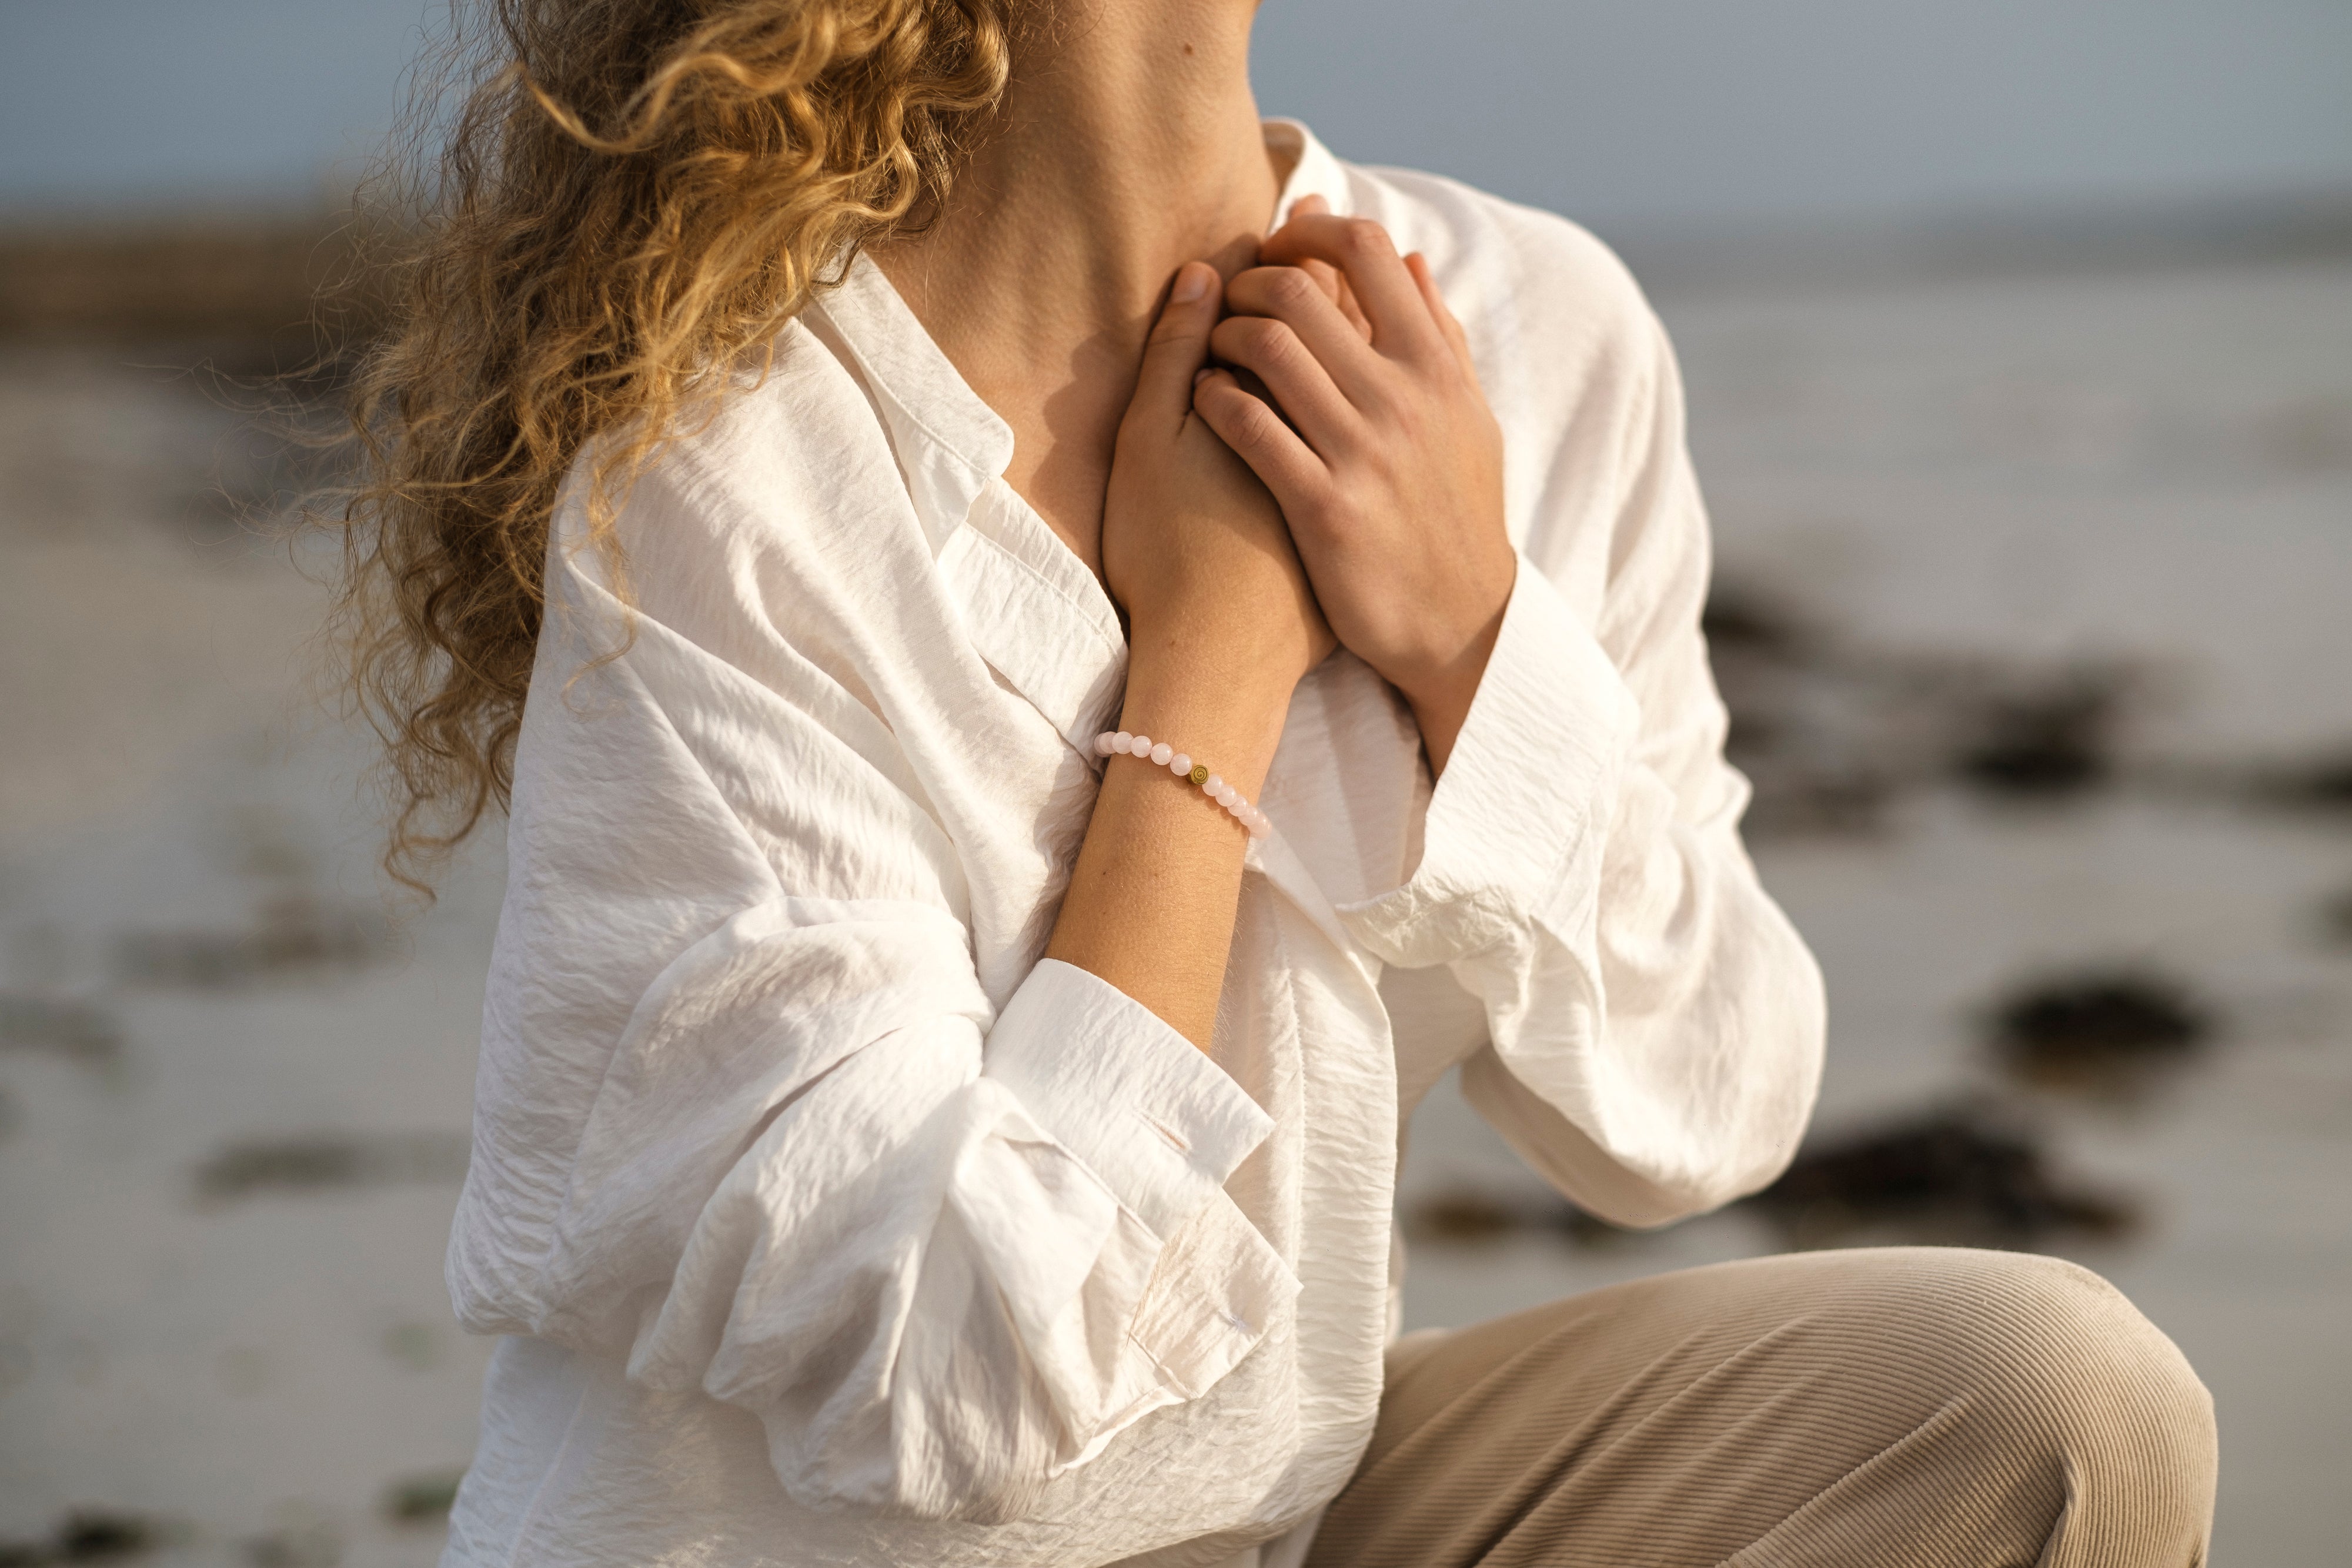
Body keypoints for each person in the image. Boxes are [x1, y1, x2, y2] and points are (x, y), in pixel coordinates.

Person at [329, 2, 2217, 1564]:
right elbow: (940, 1381)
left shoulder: (1531, 337)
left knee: (2052, 1410)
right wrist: (1211, 672)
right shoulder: (730, 480)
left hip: (1277, 1516)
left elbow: (1703, 1112)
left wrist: (1474, 633)